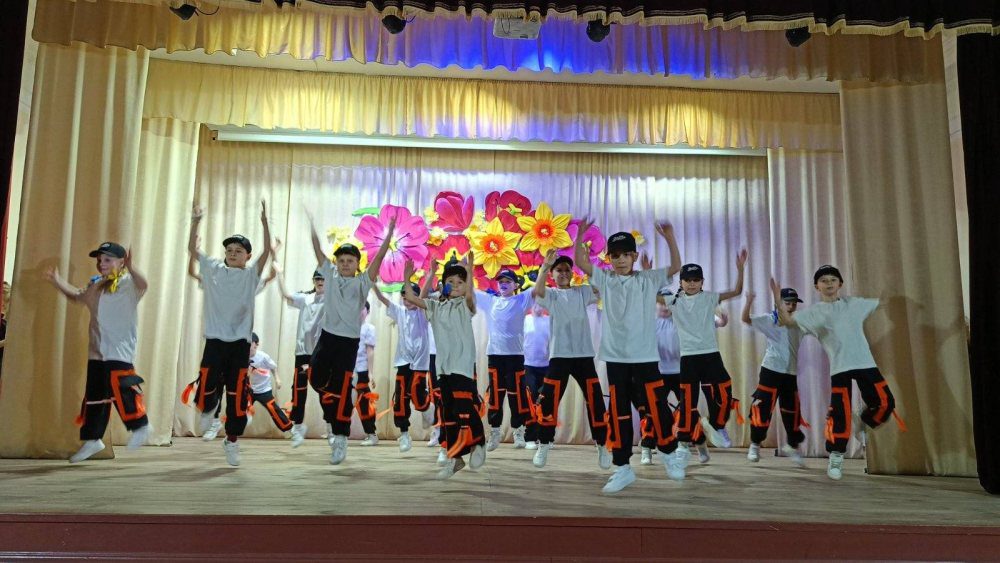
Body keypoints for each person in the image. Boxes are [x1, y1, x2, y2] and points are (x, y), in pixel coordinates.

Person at [578, 220, 685, 494]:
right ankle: (623, 467)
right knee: (619, 413)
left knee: (658, 406)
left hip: (645, 357)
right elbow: (581, 262)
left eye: (626, 254)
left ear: (634, 256)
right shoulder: (605, 279)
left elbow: (676, 267)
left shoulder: (648, 280)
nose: (621, 260)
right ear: (609, 258)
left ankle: (669, 453)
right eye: (615, 255)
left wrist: (670, 236)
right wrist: (579, 234)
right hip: (616, 359)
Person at [769, 267, 904, 480]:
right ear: (817, 286)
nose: (829, 283)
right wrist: (778, 300)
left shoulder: (854, 304)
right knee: (839, 414)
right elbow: (786, 321)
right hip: (840, 367)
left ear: (840, 284)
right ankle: (836, 455)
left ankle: (862, 421)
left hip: (865, 362)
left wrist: (890, 280)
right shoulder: (813, 313)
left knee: (885, 403)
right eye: (824, 280)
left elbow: (882, 302)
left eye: (833, 279)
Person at [183, 201, 272, 466]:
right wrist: (196, 220)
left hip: (240, 343)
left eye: (239, 251)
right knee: (207, 381)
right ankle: (207, 409)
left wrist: (265, 223)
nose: (233, 253)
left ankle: (231, 440)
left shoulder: (251, 275)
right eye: (229, 250)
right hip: (215, 339)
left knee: (237, 393)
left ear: (247, 256)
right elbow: (192, 250)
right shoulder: (214, 269)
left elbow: (267, 251)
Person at [45, 242, 150, 463]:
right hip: (97, 352)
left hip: (119, 351)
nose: (102, 263)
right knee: (95, 396)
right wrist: (57, 281)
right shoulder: (96, 284)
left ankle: (140, 425)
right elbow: (77, 296)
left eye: (108, 260)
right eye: (100, 260)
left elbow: (144, 284)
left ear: (121, 262)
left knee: (122, 388)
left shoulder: (129, 284)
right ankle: (93, 439)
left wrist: (132, 267)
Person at [307, 212, 394, 465]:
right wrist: (312, 225)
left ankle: (340, 437)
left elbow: (379, 258)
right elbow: (318, 251)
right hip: (327, 338)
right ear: (336, 263)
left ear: (357, 264)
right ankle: (332, 417)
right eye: (342, 260)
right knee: (316, 379)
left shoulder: (363, 282)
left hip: (348, 343)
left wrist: (389, 234)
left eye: (350, 261)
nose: (345, 264)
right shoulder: (330, 276)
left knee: (342, 391)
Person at [402, 254, 486, 479]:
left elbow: (470, 295)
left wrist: (470, 269)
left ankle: (479, 444)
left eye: (460, 282)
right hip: (443, 368)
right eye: (451, 282)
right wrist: (410, 277)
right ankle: (455, 457)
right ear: (443, 285)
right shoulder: (436, 307)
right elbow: (413, 297)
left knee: (465, 408)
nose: (455, 286)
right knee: (448, 414)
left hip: (462, 366)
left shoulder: (465, 305)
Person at [531, 251, 610, 470]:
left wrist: (587, 263)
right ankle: (544, 444)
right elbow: (537, 292)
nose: (564, 273)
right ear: (553, 274)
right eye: (559, 270)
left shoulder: (581, 292)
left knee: (595, 399)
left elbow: (599, 288)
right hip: (559, 356)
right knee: (548, 401)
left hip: (584, 356)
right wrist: (544, 267)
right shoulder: (551, 294)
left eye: (567, 270)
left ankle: (602, 444)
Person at [668, 251, 747, 466]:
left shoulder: (709, 297)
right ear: (681, 282)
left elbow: (737, 291)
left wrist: (740, 269)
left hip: (710, 354)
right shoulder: (673, 301)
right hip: (688, 358)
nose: (692, 284)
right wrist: (648, 273)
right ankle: (683, 444)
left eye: (696, 280)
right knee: (688, 401)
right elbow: (649, 295)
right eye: (687, 280)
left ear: (702, 282)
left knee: (724, 389)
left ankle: (718, 425)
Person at [741, 290, 808, 466]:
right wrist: (748, 301)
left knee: (791, 411)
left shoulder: (800, 321)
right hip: (771, 371)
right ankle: (755, 445)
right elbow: (746, 319)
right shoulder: (770, 320)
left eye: (794, 303)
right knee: (762, 409)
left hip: (790, 373)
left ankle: (792, 446)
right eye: (788, 303)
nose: (791, 306)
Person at [372, 283, 434, 453]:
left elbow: (424, 293)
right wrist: (372, 284)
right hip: (403, 362)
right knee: (400, 399)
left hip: (419, 363)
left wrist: (430, 275)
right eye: (404, 296)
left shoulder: (422, 312)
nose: (407, 300)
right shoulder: (399, 312)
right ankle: (404, 433)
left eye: (410, 296)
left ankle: (426, 408)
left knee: (417, 394)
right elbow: (382, 298)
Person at [478, 270, 535, 451]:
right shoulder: (490, 301)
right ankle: (495, 431)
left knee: (517, 394)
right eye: (501, 281)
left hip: (515, 356)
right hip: (495, 355)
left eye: (508, 281)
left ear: (516, 285)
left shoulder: (521, 300)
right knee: (496, 395)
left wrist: (545, 268)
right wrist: (467, 267)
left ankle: (519, 430)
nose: (503, 284)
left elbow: (538, 289)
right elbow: (469, 291)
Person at [272, 261, 325, 447]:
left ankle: (332, 426)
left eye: (323, 279)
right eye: (317, 279)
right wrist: (280, 274)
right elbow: (286, 295)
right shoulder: (305, 298)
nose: (320, 282)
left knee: (324, 390)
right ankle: (298, 425)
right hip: (303, 352)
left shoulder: (332, 300)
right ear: (313, 281)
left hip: (321, 353)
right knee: (299, 389)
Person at [247, 332, 293, 433]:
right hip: (248, 389)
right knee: (239, 407)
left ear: (256, 345)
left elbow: (273, 367)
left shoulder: (263, 356)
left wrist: (277, 379)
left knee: (273, 409)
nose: (248, 347)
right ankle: (232, 433)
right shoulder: (241, 356)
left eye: (250, 344)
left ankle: (290, 428)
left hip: (263, 389)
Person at [522, 303, 550, 450]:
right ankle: (530, 437)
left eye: (541, 303)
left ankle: (546, 437)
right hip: (529, 366)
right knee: (531, 401)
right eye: (535, 303)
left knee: (546, 400)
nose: (538, 306)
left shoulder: (549, 321)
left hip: (547, 366)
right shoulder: (525, 320)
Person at [354, 302, 379, 446]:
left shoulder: (369, 328)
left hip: (361, 369)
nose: (359, 311)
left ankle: (372, 434)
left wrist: (370, 373)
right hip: (348, 371)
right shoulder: (348, 327)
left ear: (367, 311)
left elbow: (370, 351)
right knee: (342, 402)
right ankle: (338, 433)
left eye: (363, 308)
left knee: (364, 403)